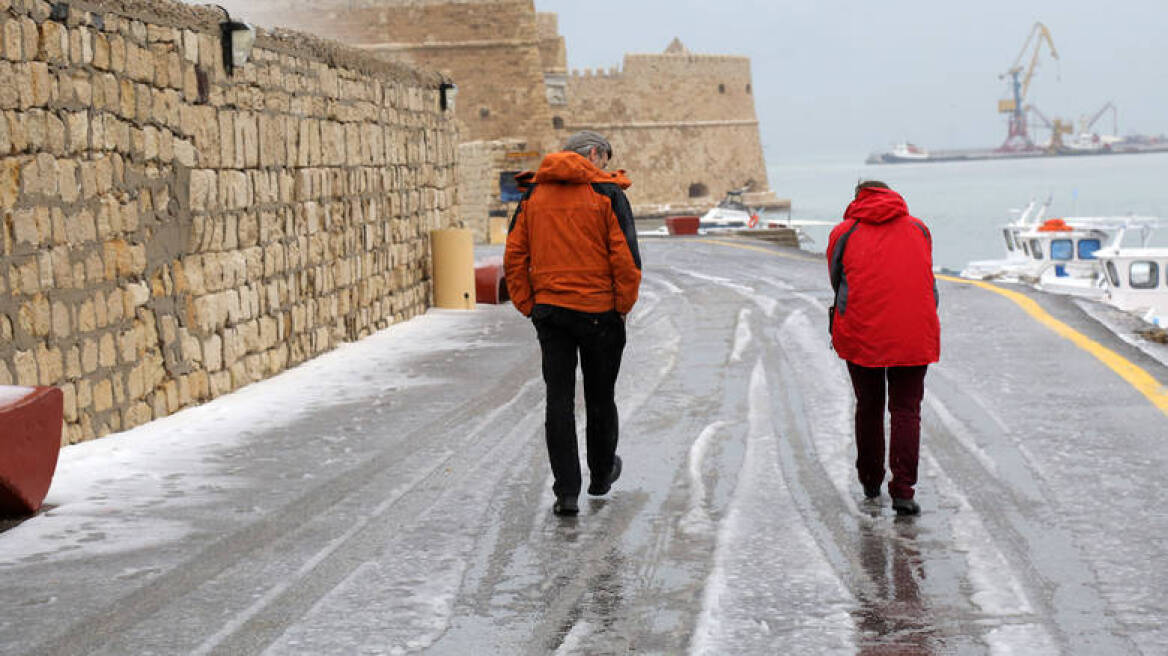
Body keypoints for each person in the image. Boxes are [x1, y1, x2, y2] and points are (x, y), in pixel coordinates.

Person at [504, 130, 642, 516]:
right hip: (600, 313)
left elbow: (514, 254)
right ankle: (600, 476)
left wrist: (529, 304)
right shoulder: (608, 194)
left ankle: (566, 492)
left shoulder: (532, 195)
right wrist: (622, 306)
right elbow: (626, 260)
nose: (606, 167)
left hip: (551, 313)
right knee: (600, 397)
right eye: (606, 159)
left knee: (559, 402)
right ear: (595, 153)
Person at [827, 180, 940, 516]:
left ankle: (871, 481)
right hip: (913, 331)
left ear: (857, 199)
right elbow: (925, 278)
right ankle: (904, 491)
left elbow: (837, 281)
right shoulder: (919, 228)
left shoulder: (843, 233)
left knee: (869, 404)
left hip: (862, 330)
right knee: (907, 410)